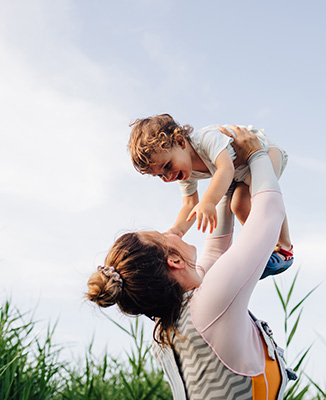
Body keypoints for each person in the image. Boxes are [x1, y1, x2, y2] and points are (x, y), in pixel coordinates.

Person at [87, 127, 295, 399]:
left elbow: (217, 248)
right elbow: (269, 215)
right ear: (173, 260)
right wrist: (256, 155)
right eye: (163, 235)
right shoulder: (210, 306)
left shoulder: (176, 321)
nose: (171, 231)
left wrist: (227, 175)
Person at [127, 114, 293, 276]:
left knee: (263, 195)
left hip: (265, 151)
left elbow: (225, 169)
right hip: (243, 172)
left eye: (168, 166)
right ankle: (265, 247)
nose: (168, 176)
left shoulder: (207, 138)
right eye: (160, 175)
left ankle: (285, 247)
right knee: (239, 205)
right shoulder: (184, 173)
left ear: (180, 142)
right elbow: (190, 204)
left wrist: (209, 201)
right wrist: (177, 231)